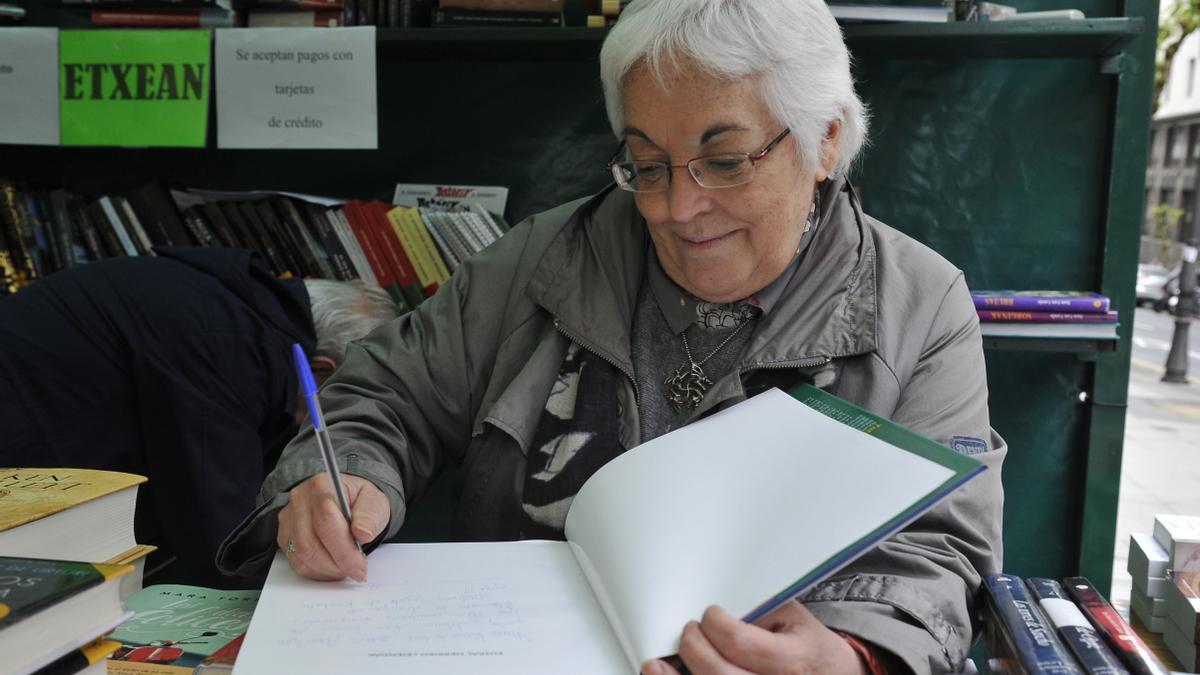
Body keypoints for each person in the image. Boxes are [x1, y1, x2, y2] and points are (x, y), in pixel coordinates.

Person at [217, 0, 1007, 671]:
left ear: (825, 139)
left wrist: (853, 654)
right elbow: (385, 397)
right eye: (647, 164)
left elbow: (938, 550)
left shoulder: (922, 305)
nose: (675, 208)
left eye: (723, 161)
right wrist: (346, 476)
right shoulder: (541, 259)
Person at [0, 246, 399, 588]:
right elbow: (220, 534)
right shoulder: (229, 348)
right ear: (320, 370)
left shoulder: (241, 306)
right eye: (344, 398)